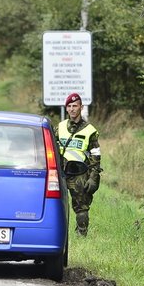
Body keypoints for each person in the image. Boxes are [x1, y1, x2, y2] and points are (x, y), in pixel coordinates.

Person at [57, 92, 102, 236]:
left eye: (75, 106)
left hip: (80, 174)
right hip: (62, 172)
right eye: (69, 106)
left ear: (81, 107)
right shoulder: (60, 127)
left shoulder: (90, 130)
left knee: (81, 208)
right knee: (56, 205)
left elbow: (96, 155)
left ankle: (81, 234)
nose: (72, 109)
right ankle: (58, 233)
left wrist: (93, 177)